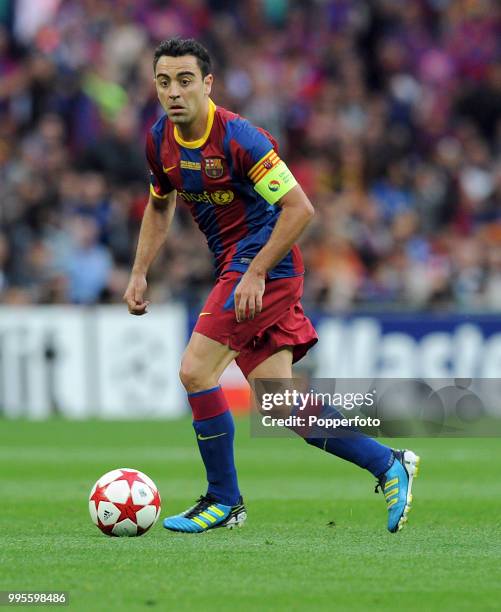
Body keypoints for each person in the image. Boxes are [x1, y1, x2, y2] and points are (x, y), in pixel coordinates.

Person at [123, 38, 420, 534]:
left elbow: (300, 208)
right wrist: (138, 270)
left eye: (185, 80)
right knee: (282, 404)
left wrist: (257, 270)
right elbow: (159, 204)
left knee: (196, 371)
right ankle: (389, 463)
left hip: (266, 266)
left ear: (208, 83)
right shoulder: (159, 141)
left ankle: (224, 500)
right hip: (234, 268)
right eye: (163, 81)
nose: (174, 92)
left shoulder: (241, 138)